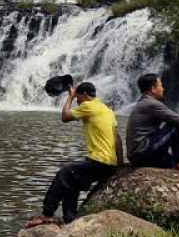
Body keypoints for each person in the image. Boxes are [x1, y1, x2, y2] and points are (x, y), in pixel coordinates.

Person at [26, 80, 122, 227]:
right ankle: (69, 220)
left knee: (64, 172)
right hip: (109, 164)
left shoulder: (89, 106)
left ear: (85, 94)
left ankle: (47, 215)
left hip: (99, 161)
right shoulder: (108, 110)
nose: (77, 101)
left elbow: (65, 117)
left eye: (78, 98)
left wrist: (70, 97)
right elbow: (118, 139)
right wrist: (119, 165)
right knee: (73, 181)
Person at [126, 73, 179, 170]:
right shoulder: (152, 103)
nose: (163, 89)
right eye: (161, 86)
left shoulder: (142, 103)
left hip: (137, 156)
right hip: (144, 153)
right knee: (174, 126)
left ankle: (177, 165)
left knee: (171, 162)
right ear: (153, 89)